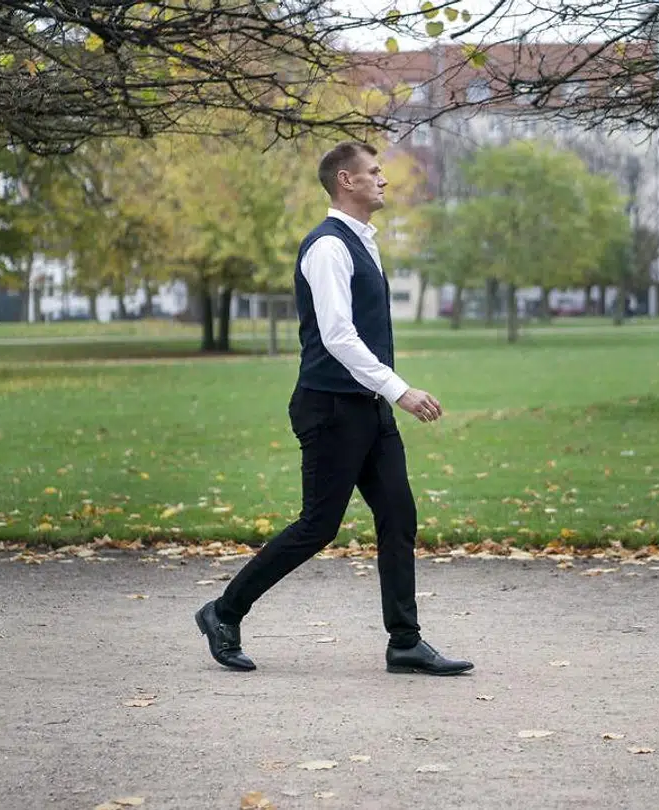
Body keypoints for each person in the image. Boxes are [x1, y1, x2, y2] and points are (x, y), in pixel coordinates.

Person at [194, 141, 473, 677]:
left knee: (398, 515)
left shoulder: (361, 244)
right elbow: (338, 336)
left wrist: (384, 395)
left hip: (366, 409)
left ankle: (405, 642)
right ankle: (223, 613)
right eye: (374, 171)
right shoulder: (328, 247)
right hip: (330, 408)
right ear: (346, 180)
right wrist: (401, 390)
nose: (383, 179)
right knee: (318, 525)